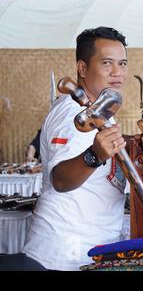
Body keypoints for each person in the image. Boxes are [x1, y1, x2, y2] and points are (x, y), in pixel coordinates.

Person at [22, 27, 129, 270]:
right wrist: (94, 156)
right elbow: (60, 179)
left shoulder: (100, 111)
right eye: (107, 63)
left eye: (122, 64)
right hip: (64, 252)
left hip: (89, 249)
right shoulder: (71, 113)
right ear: (82, 68)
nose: (117, 73)